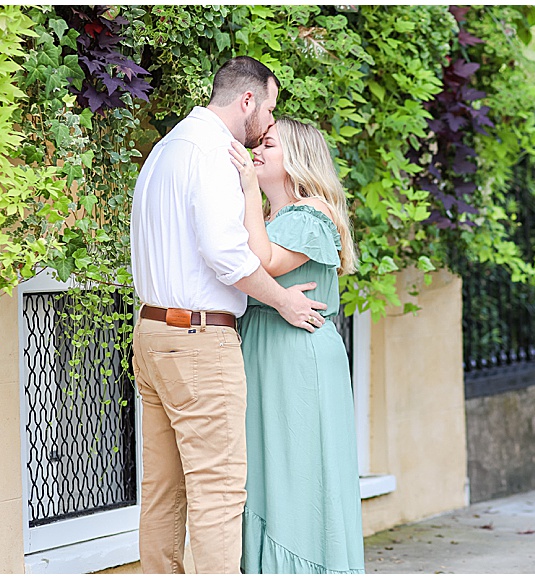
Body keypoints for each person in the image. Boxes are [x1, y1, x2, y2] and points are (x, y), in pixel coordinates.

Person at [130, 57, 328, 574]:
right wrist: (283, 299)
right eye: (270, 109)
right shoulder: (213, 155)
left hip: (151, 334)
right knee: (218, 493)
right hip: (198, 340)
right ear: (247, 102)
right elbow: (228, 256)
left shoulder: (166, 150)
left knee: (161, 493)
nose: (268, 123)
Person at [227, 119, 365, 574]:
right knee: (266, 477)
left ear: (298, 158)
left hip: (297, 358)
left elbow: (264, 260)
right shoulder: (270, 218)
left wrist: (247, 187)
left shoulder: (312, 214)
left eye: (268, 144)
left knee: (298, 478)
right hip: (265, 351)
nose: (257, 151)